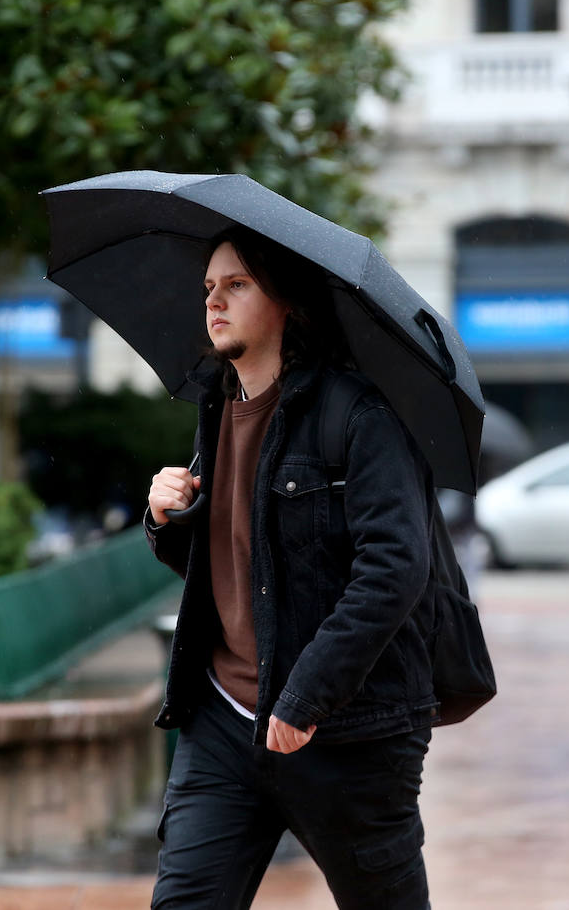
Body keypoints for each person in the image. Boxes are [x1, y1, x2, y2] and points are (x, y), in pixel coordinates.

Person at [144, 226, 438, 909]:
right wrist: (166, 519)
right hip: (223, 719)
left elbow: (395, 566)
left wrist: (308, 695)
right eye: (209, 288)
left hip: (348, 731)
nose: (214, 302)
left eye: (236, 285)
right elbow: (235, 562)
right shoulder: (217, 407)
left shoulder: (359, 413)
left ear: (284, 301)